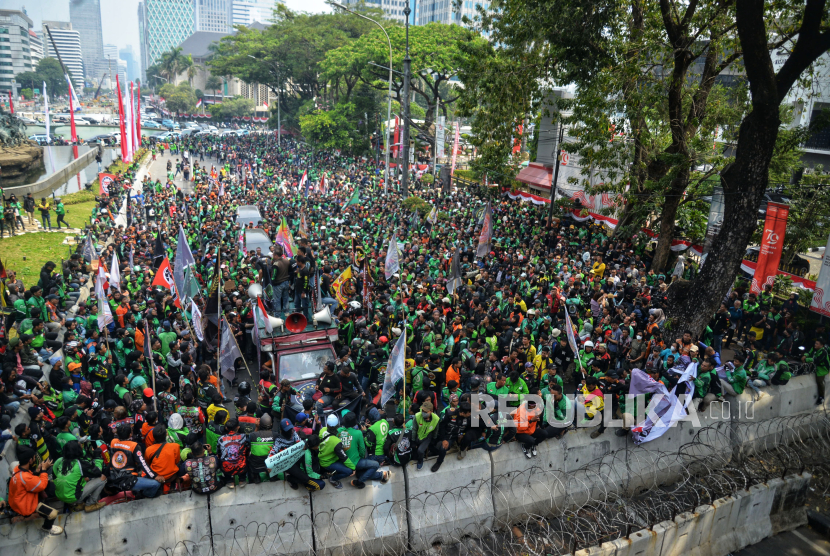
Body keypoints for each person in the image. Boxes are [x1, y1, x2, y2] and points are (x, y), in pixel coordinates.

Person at [8, 446, 63, 534]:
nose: (34, 459)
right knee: (53, 514)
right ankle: (47, 528)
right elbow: (42, 486)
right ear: (30, 460)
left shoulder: (17, 469)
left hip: (17, 500)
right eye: (34, 457)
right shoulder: (25, 478)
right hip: (26, 506)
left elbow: (28, 477)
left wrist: (37, 471)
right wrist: (44, 470)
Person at [52, 440, 107, 512]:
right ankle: (90, 504)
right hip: (73, 497)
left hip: (59, 495)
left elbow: (56, 476)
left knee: (84, 479)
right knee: (103, 478)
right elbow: (98, 472)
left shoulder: (60, 460)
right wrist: (97, 457)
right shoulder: (80, 464)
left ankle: (74, 504)